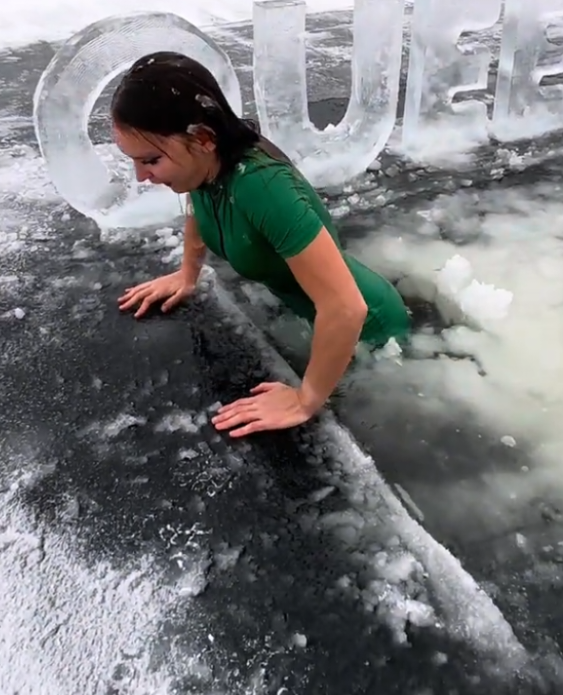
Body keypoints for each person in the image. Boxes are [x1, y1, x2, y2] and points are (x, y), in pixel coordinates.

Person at [112, 51, 411, 440]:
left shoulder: (262, 187)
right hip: (319, 319)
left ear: (202, 138)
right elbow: (198, 210)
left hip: (372, 335)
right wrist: (188, 275)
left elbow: (346, 307)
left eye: (151, 160)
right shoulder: (205, 170)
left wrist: (306, 399)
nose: (141, 176)